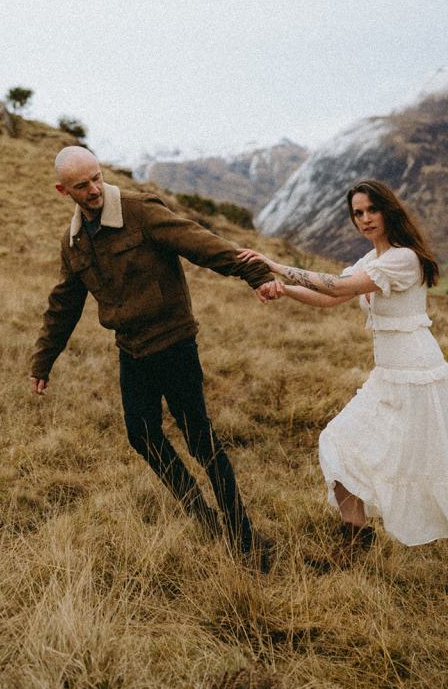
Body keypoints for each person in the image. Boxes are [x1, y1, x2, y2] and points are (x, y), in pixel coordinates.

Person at [239, 180, 448, 588]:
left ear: (388, 211)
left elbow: (340, 286)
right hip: (388, 376)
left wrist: (277, 266)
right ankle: (355, 538)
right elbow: (330, 297)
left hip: (418, 376)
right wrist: (283, 290)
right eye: (357, 213)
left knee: (442, 468)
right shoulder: (373, 259)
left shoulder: (403, 259)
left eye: (371, 210)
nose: (365, 219)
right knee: (338, 441)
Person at [30, 146, 277, 570]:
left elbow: (200, 243)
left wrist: (255, 273)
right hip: (132, 349)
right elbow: (64, 303)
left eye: (95, 178)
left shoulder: (139, 210)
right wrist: (43, 361)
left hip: (175, 342)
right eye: (81, 185)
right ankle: (204, 519)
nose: (93, 189)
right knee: (142, 436)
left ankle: (245, 539)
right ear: (62, 190)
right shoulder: (73, 241)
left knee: (200, 439)